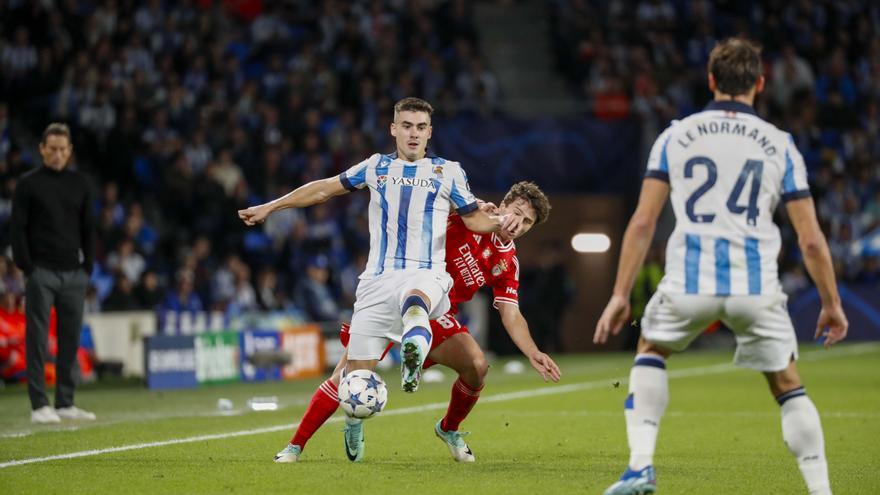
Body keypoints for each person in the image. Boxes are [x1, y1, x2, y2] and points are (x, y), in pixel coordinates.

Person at [593, 38, 849, 495]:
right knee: (787, 382)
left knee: (650, 350)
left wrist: (619, 294)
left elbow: (644, 221)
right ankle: (821, 490)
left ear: (711, 81)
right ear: (761, 84)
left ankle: (640, 467)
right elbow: (810, 239)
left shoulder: (675, 135)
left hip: (690, 280)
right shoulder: (780, 144)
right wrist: (831, 302)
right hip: (756, 286)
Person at [238, 96, 515, 444]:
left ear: (430, 133)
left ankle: (417, 364)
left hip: (426, 276)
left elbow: (473, 218)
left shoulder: (449, 171)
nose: (414, 134)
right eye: (407, 126)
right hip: (379, 282)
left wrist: (500, 224)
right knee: (350, 377)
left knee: (426, 310)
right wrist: (272, 206)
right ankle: (328, 432)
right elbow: (324, 189)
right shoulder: (375, 167)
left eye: (421, 127)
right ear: (393, 129)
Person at [274, 182, 561, 464]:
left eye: (527, 222)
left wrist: (533, 352)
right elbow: (431, 200)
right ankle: (297, 446)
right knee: (345, 379)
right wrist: (468, 208)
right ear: (503, 205)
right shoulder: (471, 213)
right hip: (396, 292)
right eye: (517, 212)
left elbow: (510, 312)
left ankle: (448, 428)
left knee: (477, 366)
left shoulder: (508, 262)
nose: (518, 224)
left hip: (435, 312)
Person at [10, 123, 97, 424]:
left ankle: (65, 402)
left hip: (74, 273)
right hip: (42, 272)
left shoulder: (81, 183)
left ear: (70, 151)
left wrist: (88, 267)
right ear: (42, 149)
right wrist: (28, 268)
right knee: (36, 338)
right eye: (53, 149)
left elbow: (89, 229)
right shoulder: (28, 184)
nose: (58, 154)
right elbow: (17, 229)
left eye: (63, 149)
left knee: (70, 339)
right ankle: (39, 405)